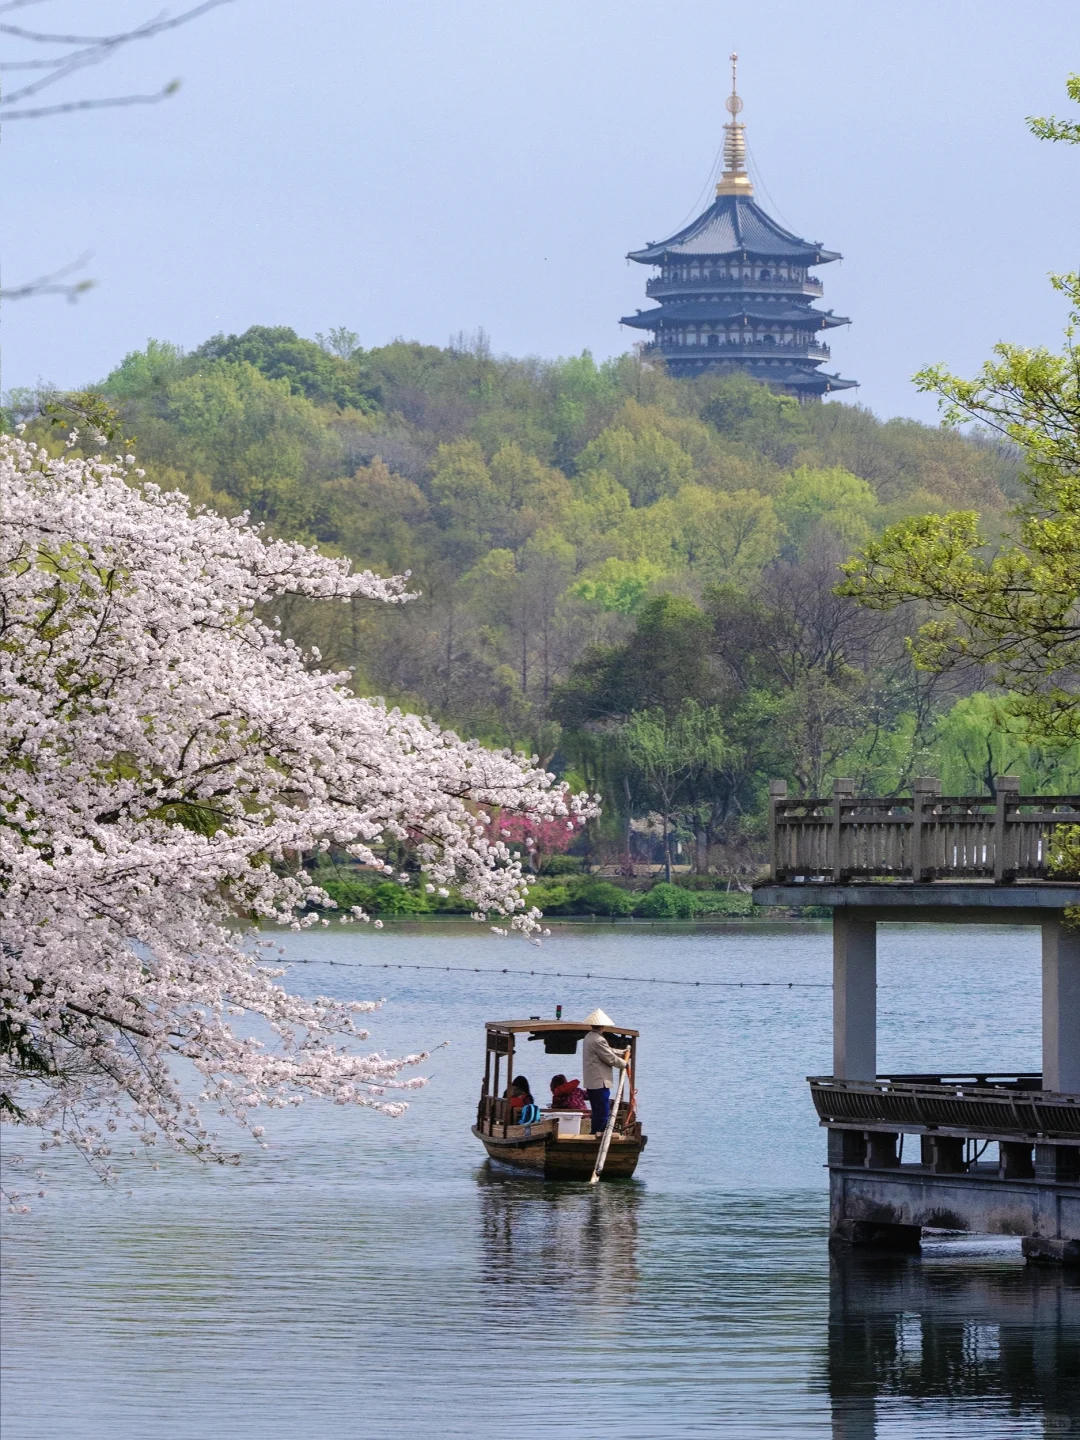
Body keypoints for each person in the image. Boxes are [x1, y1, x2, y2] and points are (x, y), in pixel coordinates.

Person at [581, 1009, 628, 1137]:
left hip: (592, 1082)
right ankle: (598, 1134)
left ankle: (595, 1132)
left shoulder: (589, 1037)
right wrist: (625, 1064)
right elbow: (609, 1058)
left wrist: (622, 1053)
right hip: (599, 1082)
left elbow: (607, 1051)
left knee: (597, 1110)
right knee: (603, 1110)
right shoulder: (598, 1039)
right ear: (602, 1026)